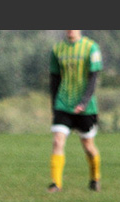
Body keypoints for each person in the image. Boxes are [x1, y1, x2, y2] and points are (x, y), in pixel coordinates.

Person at [47, 29, 103, 192]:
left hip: (85, 108)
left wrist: (84, 102)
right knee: (57, 141)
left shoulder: (91, 47)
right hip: (63, 104)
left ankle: (95, 178)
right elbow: (54, 78)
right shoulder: (57, 49)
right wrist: (54, 104)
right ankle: (55, 184)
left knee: (88, 147)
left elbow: (94, 77)